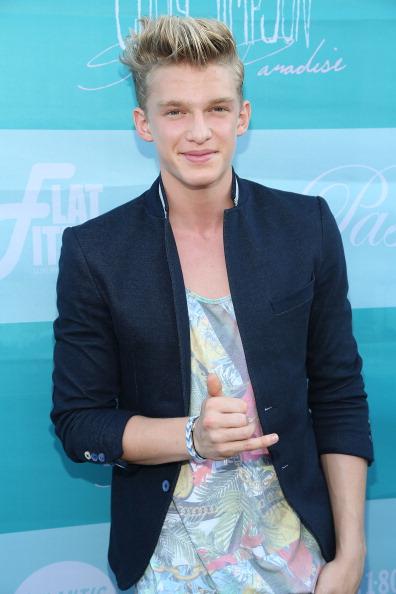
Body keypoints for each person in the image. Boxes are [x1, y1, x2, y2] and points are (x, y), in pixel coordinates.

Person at [51, 15, 374, 594]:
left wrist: (350, 553)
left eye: (217, 108)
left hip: (301, 559)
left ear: (242, 116)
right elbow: (80, 423)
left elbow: (339, 395)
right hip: (167, 566)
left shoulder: (306, 228)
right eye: (175, 111)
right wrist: (192, 435)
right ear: (143, 124)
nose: (199, 131)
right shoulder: (95, 251)